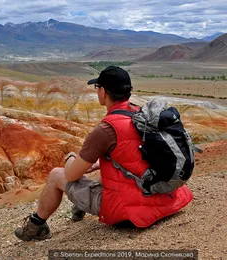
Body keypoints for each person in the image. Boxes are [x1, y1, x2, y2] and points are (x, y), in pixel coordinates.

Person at [14, 66, 193, 241]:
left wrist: (71, 158)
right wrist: (99, 163)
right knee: (104, 166)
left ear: (103, 92)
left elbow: (71, 174)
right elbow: (136, 157)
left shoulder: (106, 129)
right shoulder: (143, 115)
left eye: (97, 87)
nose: (97, 91)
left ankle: (35, 228)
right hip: (167, 199)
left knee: (56, 175)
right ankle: (78, 210)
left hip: (128, 212)